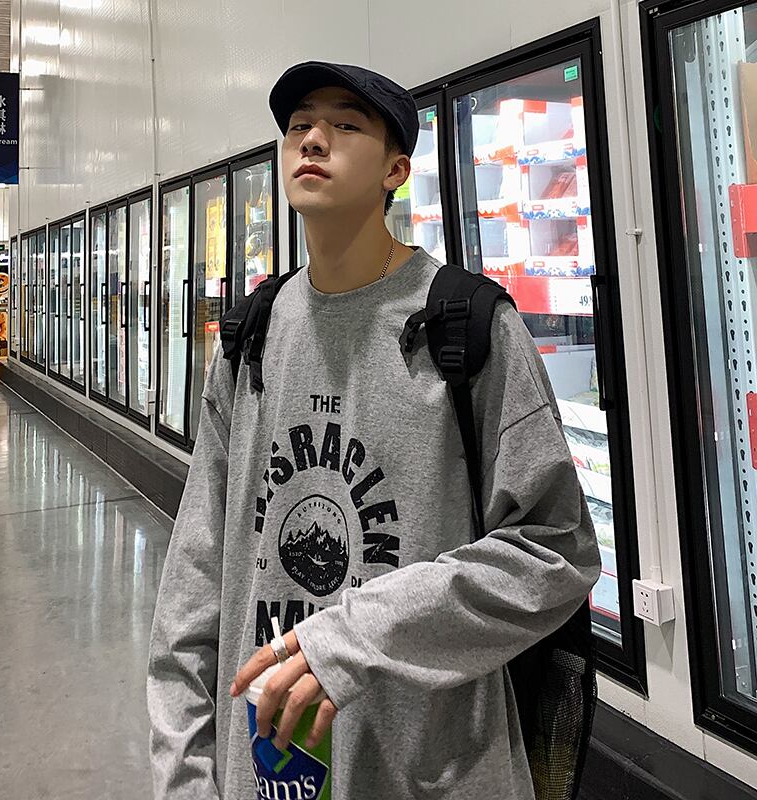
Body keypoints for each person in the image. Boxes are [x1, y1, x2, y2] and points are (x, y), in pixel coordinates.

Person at [147, 61, 601, 800]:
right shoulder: (252, 337)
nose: (312, 139)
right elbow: (196, 577)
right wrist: (185, 775)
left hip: (430, 768)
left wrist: (351, 638)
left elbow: (558, 549)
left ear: (395, 170)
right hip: (265, 765)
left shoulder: (469, 328)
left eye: (344, 124)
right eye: (299, 125)